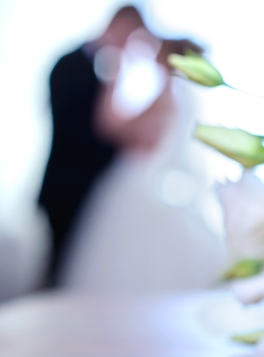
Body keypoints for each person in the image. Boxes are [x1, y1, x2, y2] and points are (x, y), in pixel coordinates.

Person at [39, 6, 201, 287]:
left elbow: (125, 129)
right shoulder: (71, 65)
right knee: (61, 266)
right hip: (67, 184)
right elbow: (90, 129)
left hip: (105, 184)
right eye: (132, 36)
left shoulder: (159, 92)